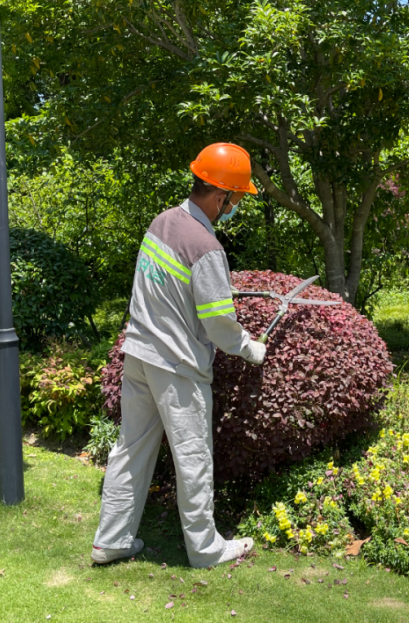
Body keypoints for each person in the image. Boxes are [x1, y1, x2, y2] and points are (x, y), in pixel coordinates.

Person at [91, 143, 267, 568]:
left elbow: (168, 292)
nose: (236, 206)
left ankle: (110, 540)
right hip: (177, 368)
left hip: (139, 356)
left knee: (130, 450)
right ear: (222, 195)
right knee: (193, 457)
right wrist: (249, 348)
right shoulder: (207, 248)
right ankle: (206, 550)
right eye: (237, 198)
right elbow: (219, 325)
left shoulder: (163, 222)